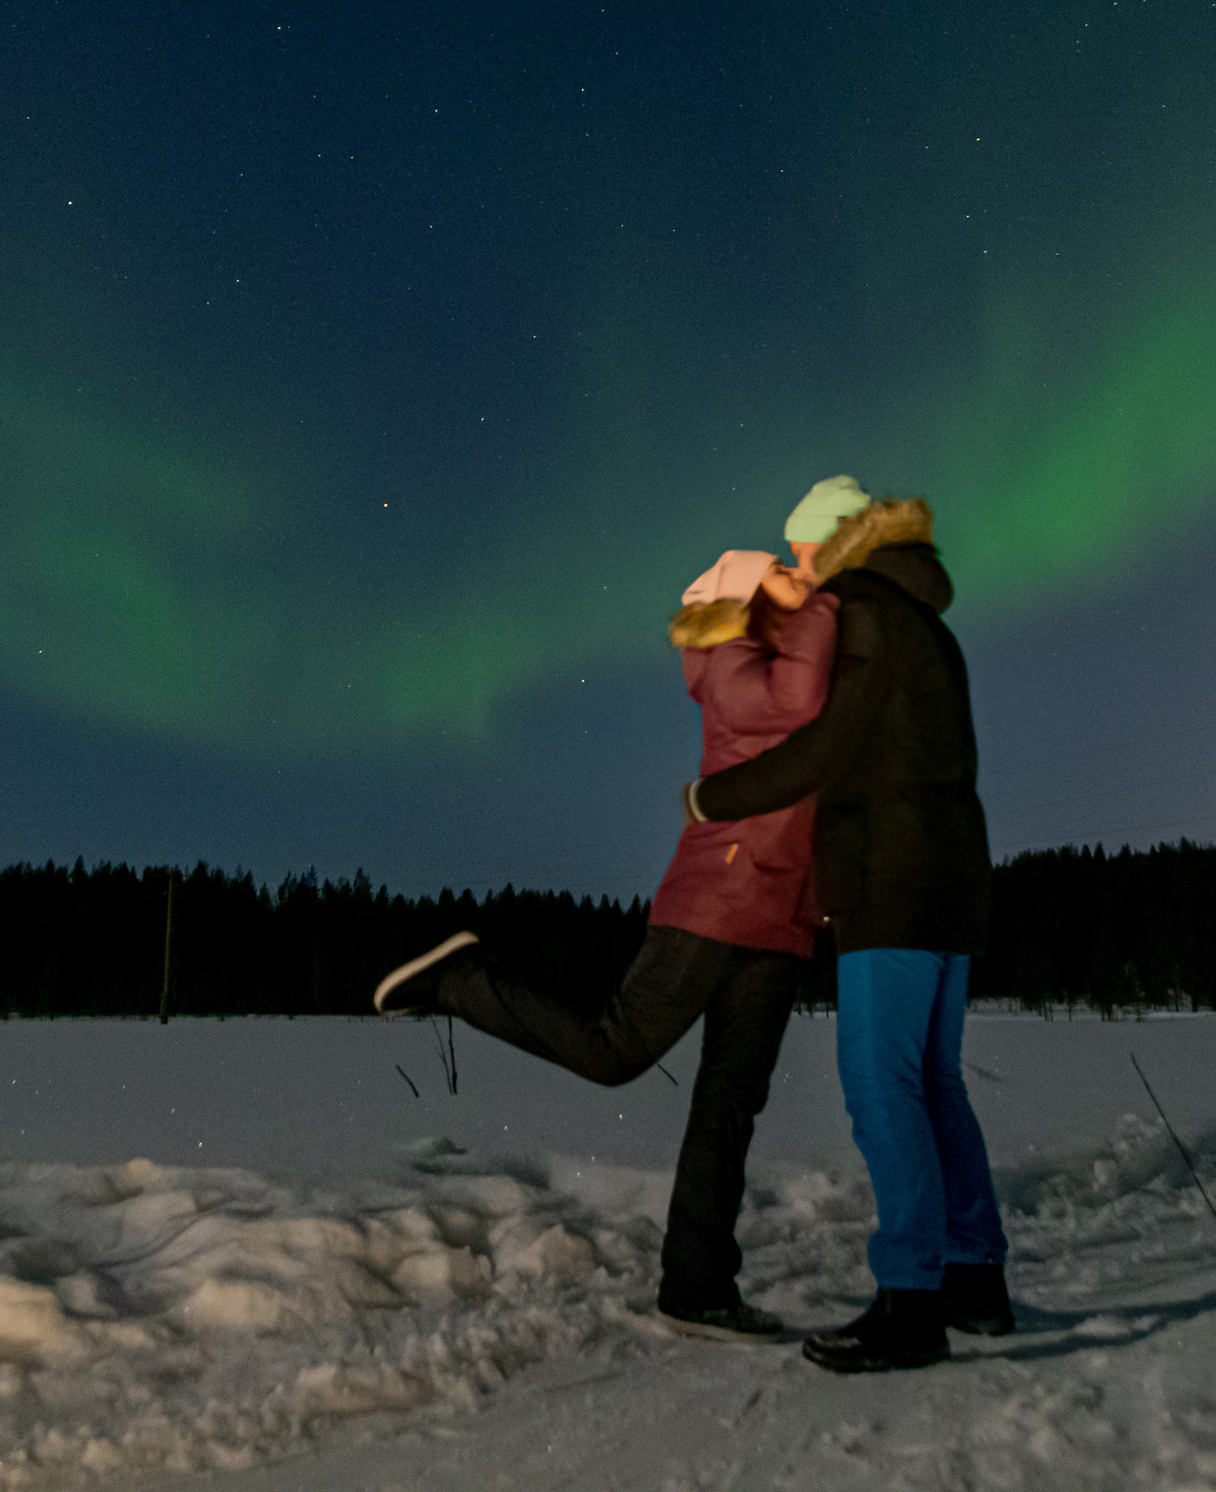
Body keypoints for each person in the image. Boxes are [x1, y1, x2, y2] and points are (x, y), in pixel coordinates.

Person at [372, 547, 837, 1342]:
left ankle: (697, 1287)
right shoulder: (730, 663)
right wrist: (826, 595)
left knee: (729, 1107)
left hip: (780, 922)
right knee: (616, 1047)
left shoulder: (778, 659)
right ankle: (462, 978)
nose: (799, 591)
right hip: (718, 903)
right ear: (745, 603)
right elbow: (801, 694)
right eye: (781, 585)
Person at [684, 480, 1013, 1374]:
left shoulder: (861, 609)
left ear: (834, 542)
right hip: (952, 880)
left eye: (801, 552)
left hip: (890, 884)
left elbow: (823, 751)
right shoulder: (931, 624)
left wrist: (716, 796)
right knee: (936, 1082)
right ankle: (976, 1278)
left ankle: (912, 1298)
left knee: (880, 1088)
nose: (795, 569)